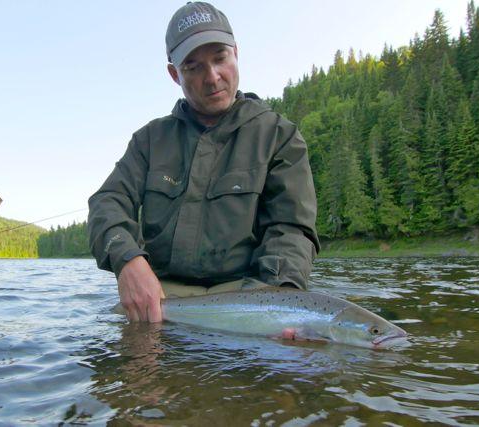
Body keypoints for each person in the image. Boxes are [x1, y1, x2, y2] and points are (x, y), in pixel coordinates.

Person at [87, 1, 319, 322]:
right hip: (161, 297)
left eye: (220, 58)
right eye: (193, 67)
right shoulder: (149, 140)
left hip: (250, 295)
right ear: (174, 74)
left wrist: (281, 300)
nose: (212, 77)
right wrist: (128, 260)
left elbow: (291, 230)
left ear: (236, 52)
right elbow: (107, 203)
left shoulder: (280, 136)